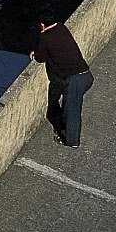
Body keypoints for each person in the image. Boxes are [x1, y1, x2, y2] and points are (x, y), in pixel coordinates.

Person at [32, 18, 94, 148]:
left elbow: (40, 58)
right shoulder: (61, 27)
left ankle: (72, 141)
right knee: (68, 107)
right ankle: (65, 131)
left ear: (42, 24)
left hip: (75, 80)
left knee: (72, 111)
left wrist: (35, 53)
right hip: (84, 75)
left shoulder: (45, 37)